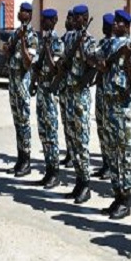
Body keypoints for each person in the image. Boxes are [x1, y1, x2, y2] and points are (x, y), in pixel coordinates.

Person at [98, 10, 131, 219]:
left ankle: (125, 199)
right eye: (115, 21)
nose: (114, 24)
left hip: (122, 109)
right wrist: (107, 60)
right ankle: (116, 195)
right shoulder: (107, 44)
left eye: (119, 22)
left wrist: (127, 58)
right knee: (111, 153)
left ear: (126, 25)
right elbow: (94, 60)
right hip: (107, 107)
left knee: (123, 155)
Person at [62, 4, 96, 204]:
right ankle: (78, 179)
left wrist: (82, 48)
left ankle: (86, 184)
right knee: (72, 141)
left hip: (81, 97)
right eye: (72, 17)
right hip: (68, 94)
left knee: (82, 141)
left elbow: (93, 65)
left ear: (85, 18)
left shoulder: (90, 40)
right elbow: (63, 61)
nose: (73, 20)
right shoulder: (68, 38)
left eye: (77, 17)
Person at [33, 8, 64, 189]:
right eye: (43, 19)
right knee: (43, 132)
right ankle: (48, 169)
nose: (43, 22)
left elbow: (55, 69)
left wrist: (47, 50)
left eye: (46, 20)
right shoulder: (42, 40)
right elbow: (37, 65)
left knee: (51, 133)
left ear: (54, 21)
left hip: (51, 92)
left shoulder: (57, 43)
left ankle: (55, 172)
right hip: (41, 91)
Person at [6, 2, 38, 177]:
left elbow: (28, 62)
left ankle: (27, 161)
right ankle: (20, 159)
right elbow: (6, 51)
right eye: (20, 11)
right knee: (17, 123)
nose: (20, 13)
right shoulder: (16, 33)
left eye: (24, 12)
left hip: (23, 86)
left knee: (24, 124)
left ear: (30, 15)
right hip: (13, 85)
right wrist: (17, 38)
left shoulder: (32, 36)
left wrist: (24, 41)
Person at [91, 13, 114, 181]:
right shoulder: (102, 44)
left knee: (110, 131)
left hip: (112, 94)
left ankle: (112, 164)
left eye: (105, 25)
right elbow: (93, 58)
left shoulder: (114, 45)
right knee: (101, 128)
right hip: (101, 91)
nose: (103, 28)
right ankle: (106, 163)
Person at [59, 10, 75, 168]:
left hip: (72, 88)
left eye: (69, 18)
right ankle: (70, 152)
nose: (67, 21)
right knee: (66, 122)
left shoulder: (76, 38)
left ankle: (74, 155)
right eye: (67, 18)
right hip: (64, 87)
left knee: (73, 124)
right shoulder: (63, 38)